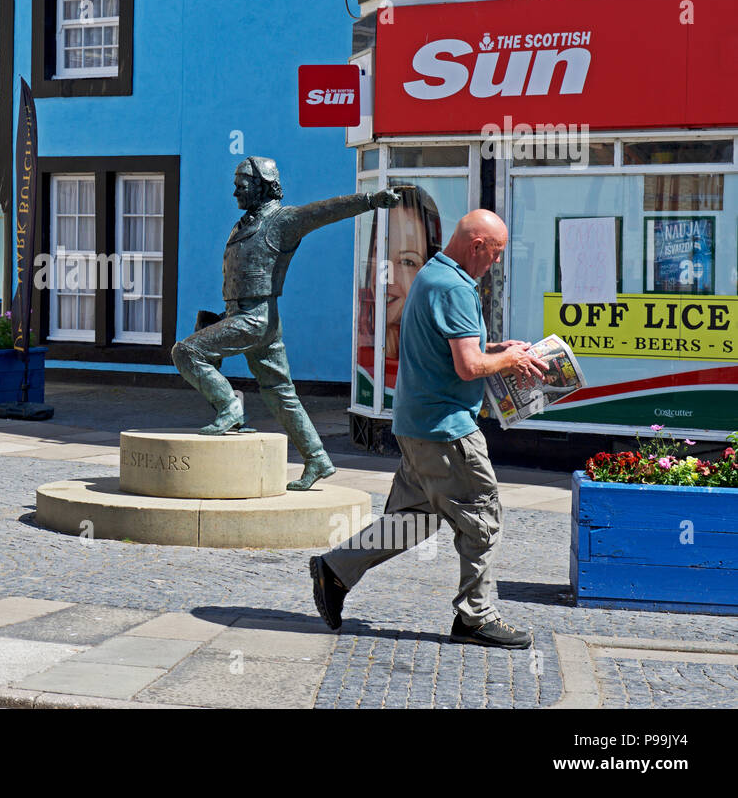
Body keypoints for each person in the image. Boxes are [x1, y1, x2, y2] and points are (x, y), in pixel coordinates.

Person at [310, 209, 549, 649]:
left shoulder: (432, 273)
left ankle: (335, 570)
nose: (495, 264)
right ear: (477, 246)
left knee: (412, 521)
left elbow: (454, 348)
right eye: (494, 255)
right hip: (446, 429)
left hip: (417, 424)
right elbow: (469, 366)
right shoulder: (455, 287)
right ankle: (476, 616)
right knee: (483, 516)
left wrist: (498, 347)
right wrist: (509, 360)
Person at [170, 157, 402, 490]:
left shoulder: (282, 221)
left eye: (242, 183)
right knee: (281, 394)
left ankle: (229, 407)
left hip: (255, 319)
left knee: (186, 353)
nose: (235, 189)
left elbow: (323, 211)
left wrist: (370, 200)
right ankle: (317, 458)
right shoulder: (244, 224)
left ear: (263, 186)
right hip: (246, 317)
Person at [357, 185, 442, 395]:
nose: (388, 278)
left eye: (407, 261)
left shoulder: (432, 353)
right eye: (380, 252)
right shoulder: (363, 353)